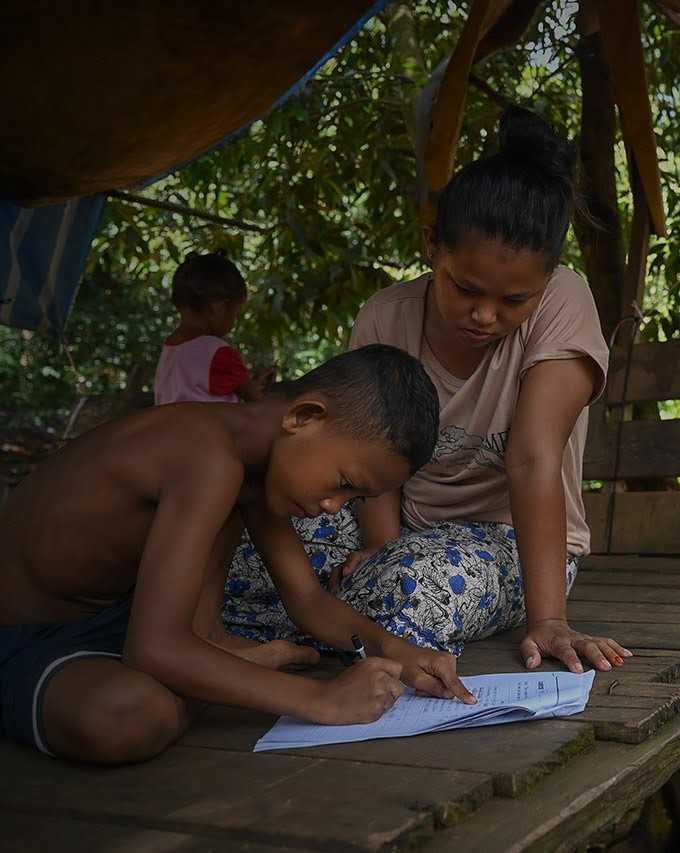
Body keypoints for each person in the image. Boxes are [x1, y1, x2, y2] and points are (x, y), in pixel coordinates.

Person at [225, 106, 629, 676]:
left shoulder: (565, 301)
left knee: (409, 586)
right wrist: (379, 548)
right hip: (404, 526)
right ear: (432, 246)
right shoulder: (384, 316)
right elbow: (373, 462)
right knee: (245, 561)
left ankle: (318, 631)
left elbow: (534, 457)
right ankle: (308, 632)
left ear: (545, 282)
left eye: (514, 301)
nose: (485, 315)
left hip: (516, 539)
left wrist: (549, 621)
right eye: (465, 289)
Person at [0, 345, 474, 765]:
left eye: (353, 501)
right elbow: (152, 648)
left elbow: (307, 599)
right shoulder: (205, 455)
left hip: (111, 624)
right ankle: (211, 667)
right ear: (303, 417)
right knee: (128, 717)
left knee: (175, 682)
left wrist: (398, 650)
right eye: (344, 484)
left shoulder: (254, 469)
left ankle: (210, 664)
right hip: (26, 636)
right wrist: (321, 699)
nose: (333, 506)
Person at [154, 250, 275, 405]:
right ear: (218, 308)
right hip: (209, 429)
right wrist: (262, 383)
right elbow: (253, 396)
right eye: (235, 314)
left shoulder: (170, 348)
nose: (233, 321)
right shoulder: (216, 350)